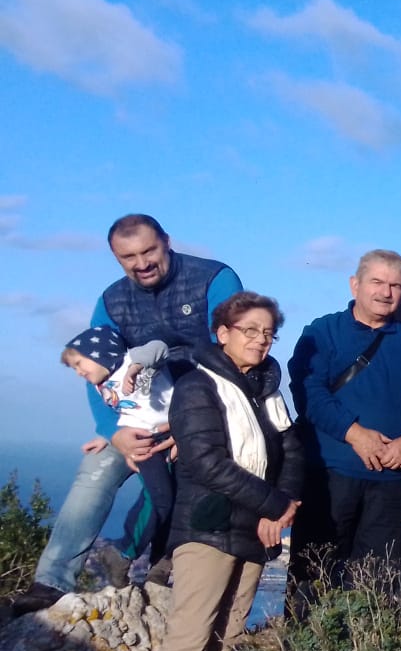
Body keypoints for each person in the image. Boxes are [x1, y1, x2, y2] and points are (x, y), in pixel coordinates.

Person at [21, 215, 241, 614]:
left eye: (148, 251)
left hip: (205, 415)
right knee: (96, 470)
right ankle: (50, 582)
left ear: (166, 242)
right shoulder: (111, 301)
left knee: (184, 481)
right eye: (128, 257)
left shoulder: (215, 279)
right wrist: (113, 430)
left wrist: (189, 425)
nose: (141, 263)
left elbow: (231, 358)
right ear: (115, 257)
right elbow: (97, 373)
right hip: (136, 419)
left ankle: (163, 571)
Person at [134, 292, 302, 651]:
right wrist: (274, 503)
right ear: (222, 332)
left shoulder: (269, 388)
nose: (260, 339)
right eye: (249, 330)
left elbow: (291, 448)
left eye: (268, 332)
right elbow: (206, 462)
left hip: (252, 529)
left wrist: (283, 504)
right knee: (188, 637)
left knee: (226, 633)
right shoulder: (196, 387)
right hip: (206, 528)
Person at [288, 249, 401, 580]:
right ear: (354, 284)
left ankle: (370, 636)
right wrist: (356, 435)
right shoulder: (322, 332)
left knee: (378, 584)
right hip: (329, 476)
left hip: (391, 479)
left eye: (395, 285)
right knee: (314, 576)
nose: (385, 292)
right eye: (376, 282)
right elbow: (309, 393)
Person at [59, 328, 174, 573]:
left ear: (99, 352)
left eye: (79, 363)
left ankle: (160, 562)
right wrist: (107, 437)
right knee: (160, 498)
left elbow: (159, 346)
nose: (79, 372)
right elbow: (124, 414)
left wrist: (135, 368)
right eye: (75, 369)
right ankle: (122, 553)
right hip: (145, 443)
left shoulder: (132, 359)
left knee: (176, 499)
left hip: (173, 434)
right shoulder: (102, 385)